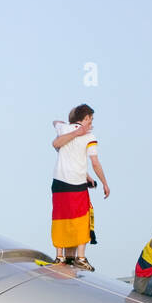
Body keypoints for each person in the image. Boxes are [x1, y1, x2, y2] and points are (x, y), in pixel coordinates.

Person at [50, 104, 109, 270]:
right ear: (84, 119)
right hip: (76, 184)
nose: (91, 123)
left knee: (60, 217)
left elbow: (55, 122)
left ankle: (60, 256)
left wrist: (87, 176)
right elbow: (95, 163)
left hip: (59, 181)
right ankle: (81, 258)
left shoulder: (64, 129)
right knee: (82, 218)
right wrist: (104, 182)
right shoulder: (89, 137)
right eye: (90, 119)